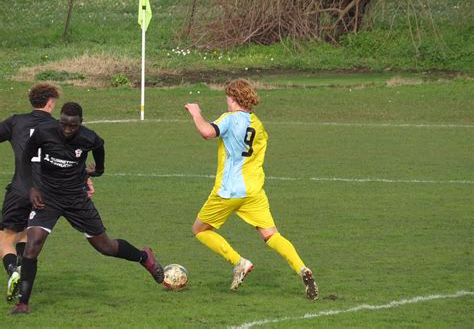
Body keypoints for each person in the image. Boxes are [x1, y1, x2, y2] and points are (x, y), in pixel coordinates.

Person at [10, 102, 164, 314]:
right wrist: (32, 189)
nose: (66, 129)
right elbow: (26, 158)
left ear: (80, 123)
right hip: (48, 198)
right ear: (59, 120)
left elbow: (100, 147)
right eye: (63, 124)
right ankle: (23, 304)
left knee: (105, 247)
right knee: (33, 243)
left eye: (72, 126)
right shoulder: (43, 133)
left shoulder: (88, 137)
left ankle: (144, 257)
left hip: (76, 200)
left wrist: (99, 169)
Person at [184, 78, 319, 300]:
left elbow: (207, 132)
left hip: (228, 191)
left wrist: (196, 113)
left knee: (200, 230)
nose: (226, 102)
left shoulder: (229, 119)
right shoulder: (257, 125)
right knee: (271, 235)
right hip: (253, 191)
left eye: (227, 98)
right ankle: (302, 268)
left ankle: (239, 262)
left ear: (234, 98)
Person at [0, 83, 61, 303]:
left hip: (19, 190)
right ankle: (22, 276)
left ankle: (12, 271)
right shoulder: (59, 126)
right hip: (45, 194)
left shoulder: (16, 121)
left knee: (6, 237)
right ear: (51, 103)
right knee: (27, 234)